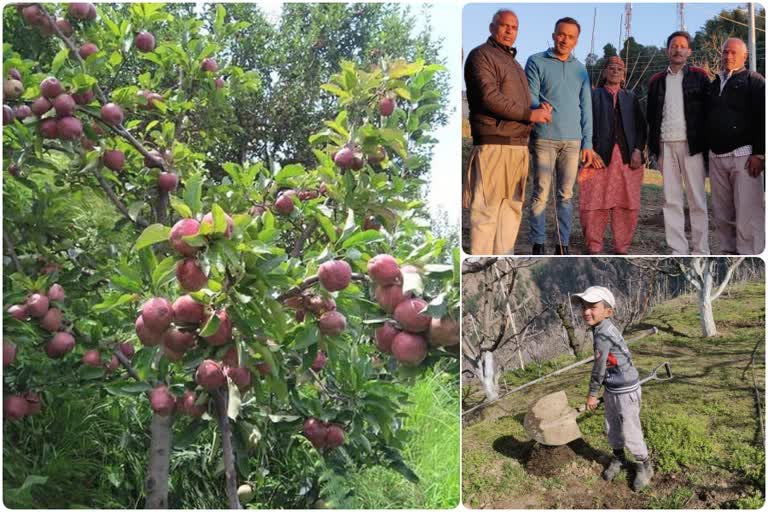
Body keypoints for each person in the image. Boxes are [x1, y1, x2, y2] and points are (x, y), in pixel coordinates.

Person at [463, 9, 552, 255]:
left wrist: (537, 110)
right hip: (494, 144)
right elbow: (489, 97)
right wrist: (528, 114)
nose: (509, 31)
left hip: (517, 146)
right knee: (486, 213)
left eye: (514, 27)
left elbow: (518, 104)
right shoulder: (481, 56)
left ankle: (504, 259)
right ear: (492, 28)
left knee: (511, 212)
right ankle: (481, 266)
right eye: (504, 25)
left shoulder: (514, 64)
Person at [525, 17, 600, 255]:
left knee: (566, 194)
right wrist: (539, 108)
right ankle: (538, 243)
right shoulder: (536, 61)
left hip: (573, 141)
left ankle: (562, 243)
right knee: (541, 191)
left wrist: (587, 142)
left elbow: (586, 107)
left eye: (570, 36)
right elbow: (530, 96)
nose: (564, 39)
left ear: (576, 40)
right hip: (544, 137)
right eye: (561, 34)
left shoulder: (581, 69)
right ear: (554, 34)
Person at [571, 286, 653, 491]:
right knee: (612, 426)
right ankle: (619, 458)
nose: (586, 311)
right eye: (584, 306)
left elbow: (598, 368)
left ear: (608, 312)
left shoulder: (603, 335)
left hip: (625, 390)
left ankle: (644, 465)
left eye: (592, 306)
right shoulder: (601, 329)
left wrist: (591, 394)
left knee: (631, 430)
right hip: (613, 387)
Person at [646, 31, 710, 255]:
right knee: (670, 200)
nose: (678, 49)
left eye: (683, 46)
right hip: (665, 144)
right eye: (674, 45)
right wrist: (653, 147)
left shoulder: (700, 77)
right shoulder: (656, 81)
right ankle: (677, 248)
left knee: (697, 199)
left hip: (692, 144)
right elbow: (651, 116)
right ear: (667, 51)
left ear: (689, 51)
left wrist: (706, 144)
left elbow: (708, 112)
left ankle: (701, 249)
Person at [578, 56, 647, 254]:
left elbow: (641, 127)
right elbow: (582, 124)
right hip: (597, 157)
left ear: (624, 75)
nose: (615, 71)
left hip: (626, 159)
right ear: (604, 72)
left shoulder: (631, 97)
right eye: (611, 67)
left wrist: (637, 150)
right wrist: (588, 149)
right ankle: (594, 245)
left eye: (620, 68)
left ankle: (622, 246)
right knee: (594, 202)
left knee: (626, 203)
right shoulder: (593, 95)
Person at [706, 37, 765, 255]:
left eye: (733, 53)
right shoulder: (714, 84)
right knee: (722, 213)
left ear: (745, 56)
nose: (728, 56)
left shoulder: (755, 81)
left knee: (748, 212)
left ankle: (750, 253)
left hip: (744, 156)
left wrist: (760, 153)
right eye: (725, 52)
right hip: (716, 157)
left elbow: (763, 118)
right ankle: (727, 252)